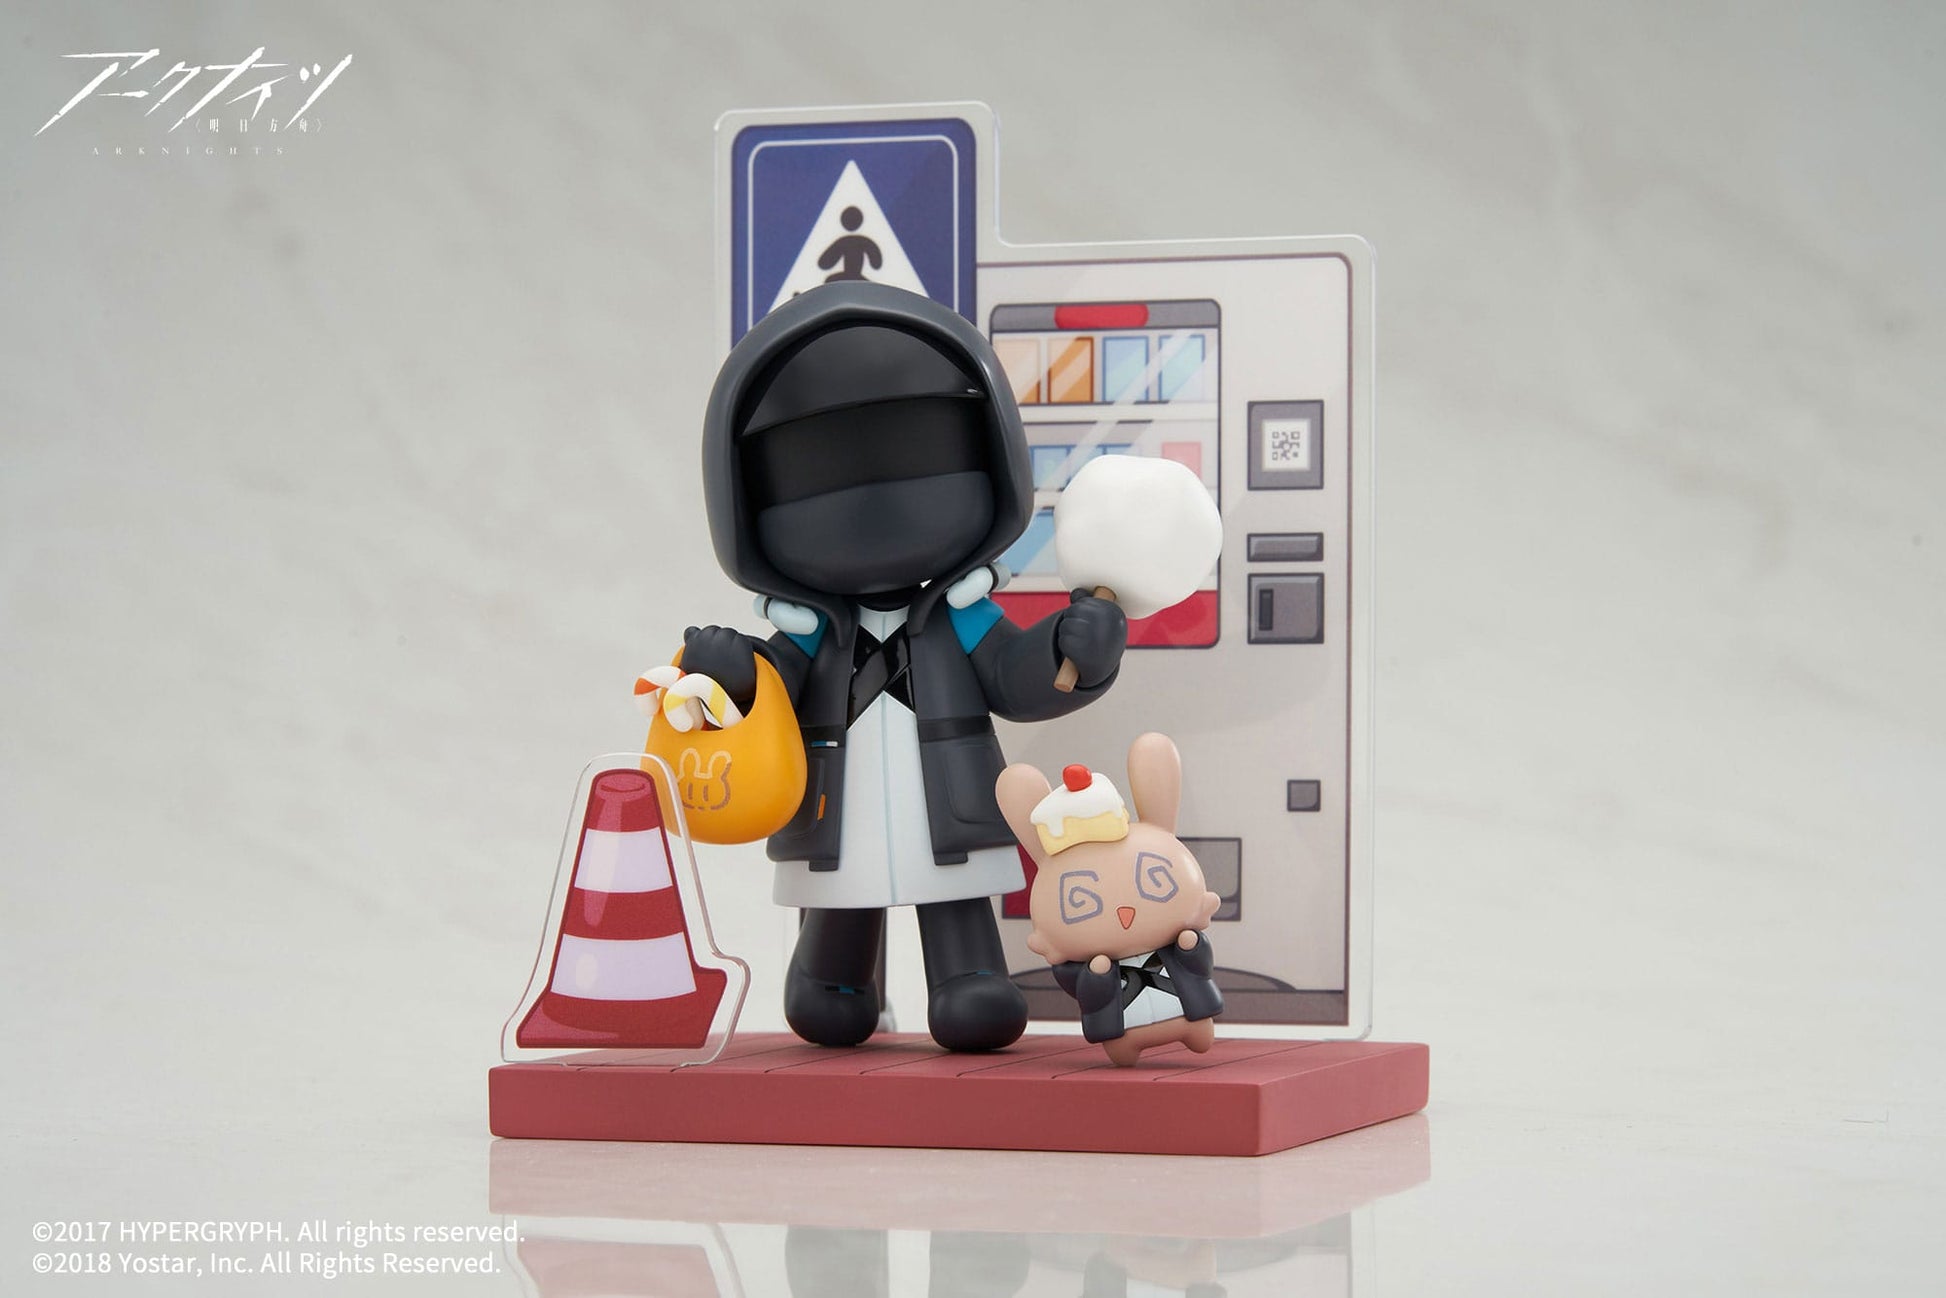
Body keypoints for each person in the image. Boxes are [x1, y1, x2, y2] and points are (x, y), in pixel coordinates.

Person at [682, 281, 1127, 1051]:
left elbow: (1012, 673)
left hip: (949, 806)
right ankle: (835, 977)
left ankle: (968, 976)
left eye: (916, 453)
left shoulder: (961, 614)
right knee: (840, 899)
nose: (872, 496)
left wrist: (1069, 651)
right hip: (834, 811)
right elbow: (772, 693)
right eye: (816, 465)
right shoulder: (809, 633)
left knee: (954, 891)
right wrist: (735, 673)